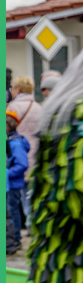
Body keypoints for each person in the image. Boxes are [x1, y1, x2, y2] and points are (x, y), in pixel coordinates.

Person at [6, 107, 29, 255]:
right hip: (11, 184)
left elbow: (22, 164)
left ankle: (14, 241)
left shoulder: (16, 143)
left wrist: (7, 173)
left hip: (12, 185)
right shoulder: (11, 141)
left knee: (12, 212)